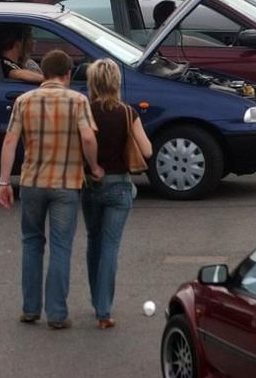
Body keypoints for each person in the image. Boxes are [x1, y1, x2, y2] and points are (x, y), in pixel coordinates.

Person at [0, 49, 103, 328]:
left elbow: (10, 142)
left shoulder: (24, 101)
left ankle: (30, 308)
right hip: (66, 184)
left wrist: (4, 182)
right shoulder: (78, 101)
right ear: (68, 73)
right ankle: (56, 314)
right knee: (60, 246)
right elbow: (89, 138)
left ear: (43, 73)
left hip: (32, 182)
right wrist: (94, 167)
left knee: (31, 243)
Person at [81, 59, 151, 329]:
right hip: (119, 186)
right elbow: (147, 151)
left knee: (93, 241)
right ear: (116, 82)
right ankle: (104, 310)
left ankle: (95, 299)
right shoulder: (126, 113)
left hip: (89, 184)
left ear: (92, 83)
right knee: (110, 246)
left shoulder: (85, 111)